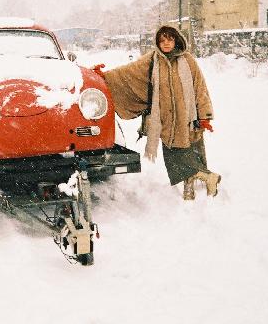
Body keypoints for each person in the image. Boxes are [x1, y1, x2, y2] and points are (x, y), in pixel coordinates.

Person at [94, 25, 221, 201]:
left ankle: (198, 184)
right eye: (162, 40)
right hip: (165, 120)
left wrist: (204, 116)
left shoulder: (188, 60)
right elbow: (127, 73)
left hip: (188, 119)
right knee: (175, 157)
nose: (166, 43)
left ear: (176, 39)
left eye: (169, 39)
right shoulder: (152, 60)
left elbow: (200, 87)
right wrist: (103, 77)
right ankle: (199, 182)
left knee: (188, 153)